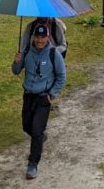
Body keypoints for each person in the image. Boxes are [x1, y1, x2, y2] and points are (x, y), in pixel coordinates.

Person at [12, 24, 66, 180]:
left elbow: (62, 76)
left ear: (48, 37)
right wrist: (16, 61)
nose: (40, 40)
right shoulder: (27, 51)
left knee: (36, 131)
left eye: (43, 37)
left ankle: (32, 164)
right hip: (28, 96)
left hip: (43, 98)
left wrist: (52, 94)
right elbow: (15, 71)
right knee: (26, 126)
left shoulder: (53, 54)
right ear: (33, 37)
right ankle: (40, 137)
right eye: (37, 37)